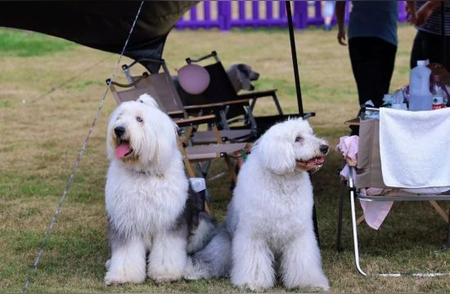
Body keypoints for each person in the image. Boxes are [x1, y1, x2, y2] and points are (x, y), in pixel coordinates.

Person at [336, 1, 398, 108]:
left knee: (364, 88)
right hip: (385, 35)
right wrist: (414, 12)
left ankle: (367, 118)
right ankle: (376, 119)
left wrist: (341, 28)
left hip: (358, 34)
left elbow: (340, 3)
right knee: (381, 89)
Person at [407, 1, 450, 71]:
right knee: (418, 75)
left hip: (444, 34)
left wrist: (430, 5)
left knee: (440, 77)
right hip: (424, 31)